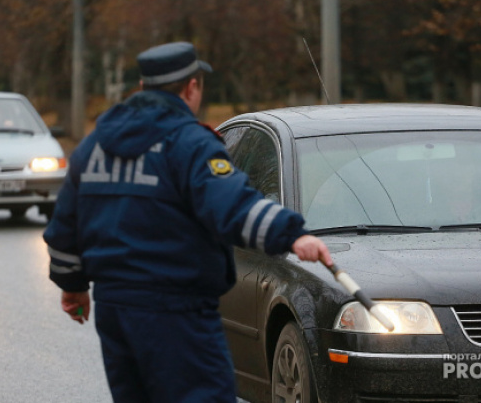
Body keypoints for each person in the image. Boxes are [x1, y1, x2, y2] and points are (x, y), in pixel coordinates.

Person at [43, 41, 333, 402]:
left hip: (115, 309)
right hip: (177, 311)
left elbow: (64, 228)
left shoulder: (95, 146)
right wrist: (291, 235)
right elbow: (231, 204)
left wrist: (72, 287)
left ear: (144, 87)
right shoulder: (190, 144)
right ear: (191, 88)